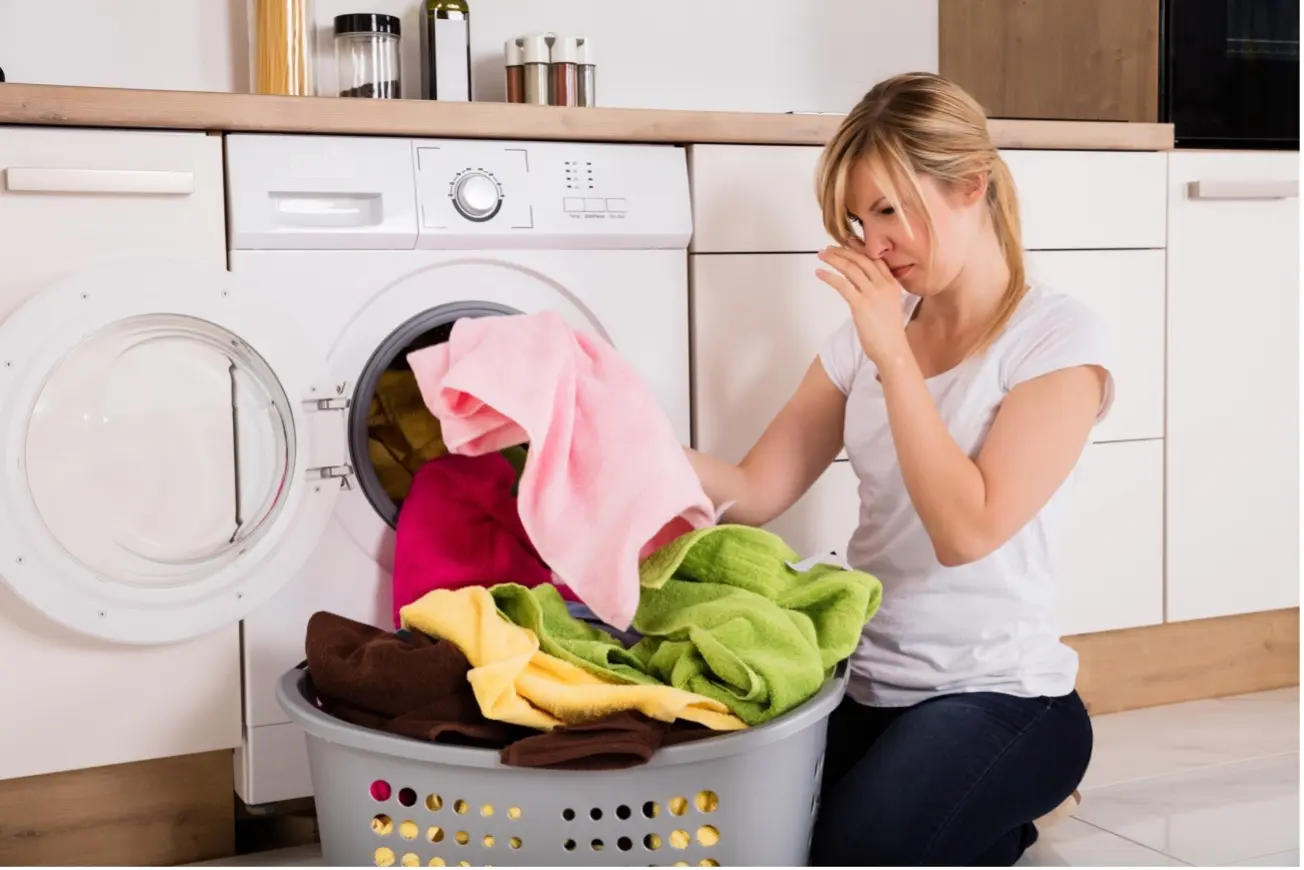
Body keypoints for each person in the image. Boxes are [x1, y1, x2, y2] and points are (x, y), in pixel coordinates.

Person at [685, 72, 1112, 866]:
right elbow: (754, 491)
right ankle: (998, 822)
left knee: (858, 853)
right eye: (857, 218)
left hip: (1001, 697)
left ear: (970, 186)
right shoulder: (863, 340)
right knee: (744, 841)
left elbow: (966, 529)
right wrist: (600, 433)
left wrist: (893, 353)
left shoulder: (1056, 341)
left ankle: (1015, 790)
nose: (872, 242)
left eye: (888, 209)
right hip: (865, 681)